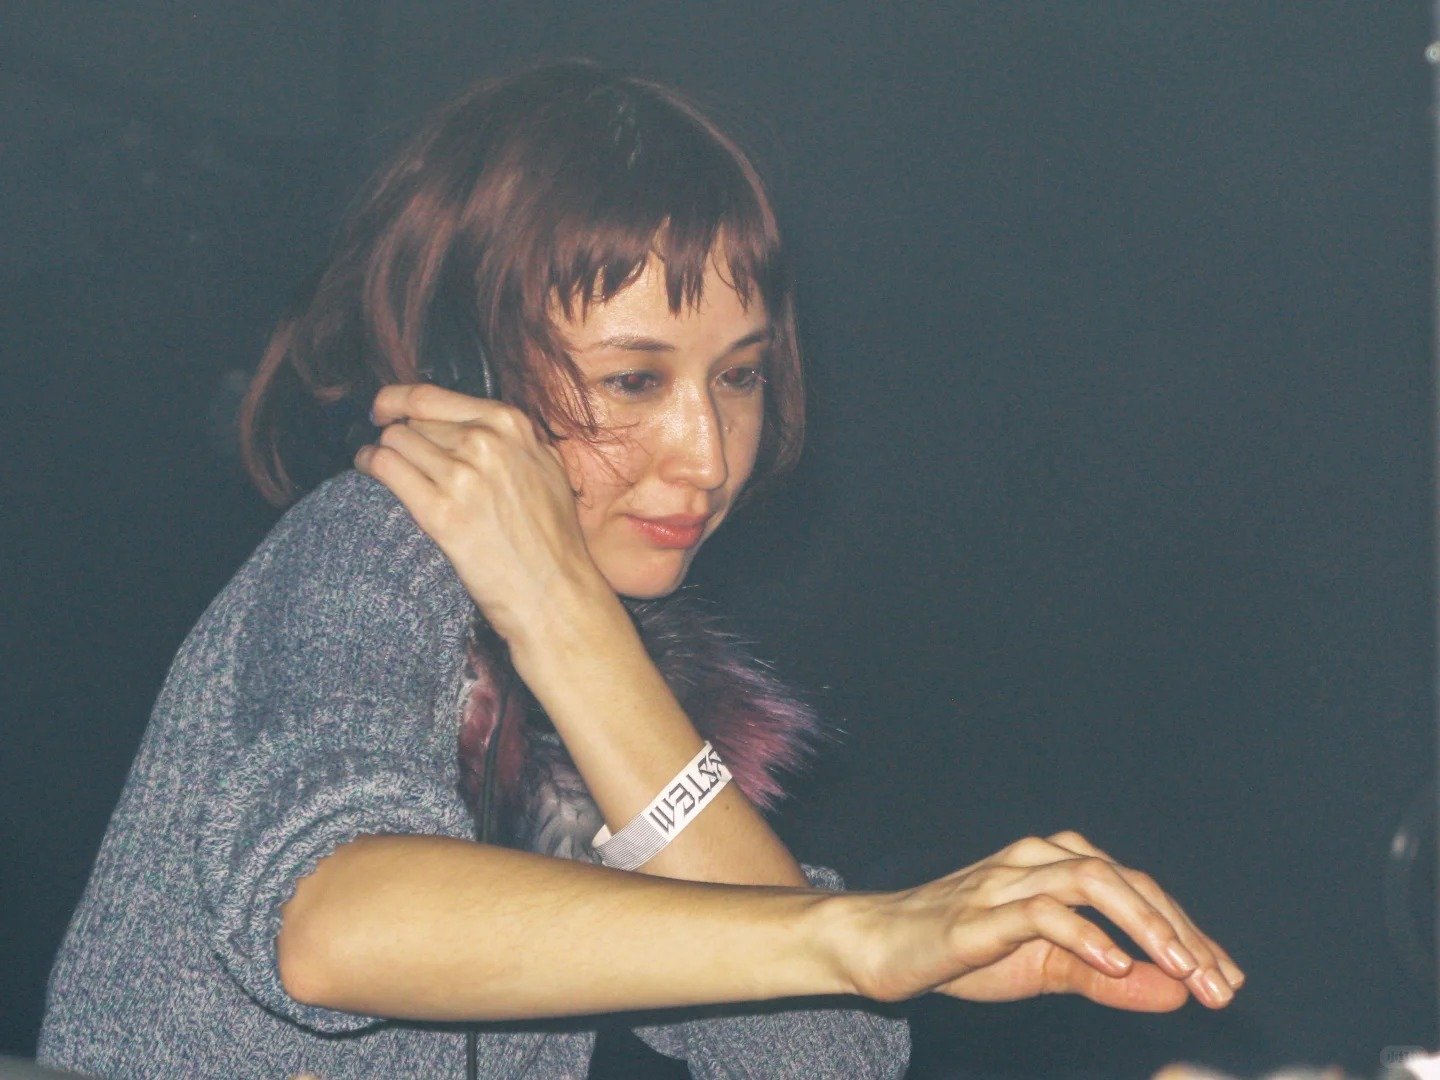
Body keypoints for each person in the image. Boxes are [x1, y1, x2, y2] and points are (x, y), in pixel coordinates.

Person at [37, 61, 1243, 1079]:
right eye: (632, 381)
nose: (707, 455)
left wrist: (581, 643)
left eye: (737, 375)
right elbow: (331, 921)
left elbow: (812, 1055)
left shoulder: (582, 656)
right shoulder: (373, 543)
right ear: (472, 371)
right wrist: (864, 926)